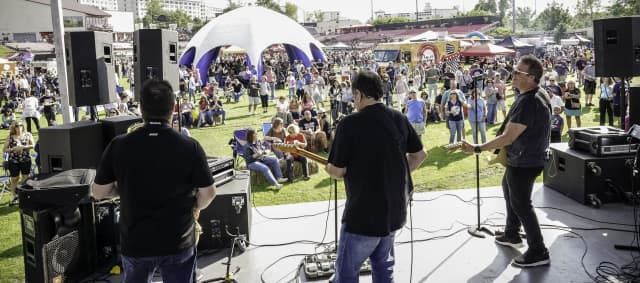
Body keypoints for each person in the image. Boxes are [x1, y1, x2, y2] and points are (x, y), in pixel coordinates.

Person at [92, 80, 217, 282]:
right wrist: (195, 205)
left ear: (141, 108)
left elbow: (98, 192)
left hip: (136, 243)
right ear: (173, 108)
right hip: (178, 241)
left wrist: (119, 190)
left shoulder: (119, 145)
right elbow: (209, 193)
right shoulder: (190, 146)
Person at [325, 70, 427, 282]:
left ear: (359, 95)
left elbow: (337, 171)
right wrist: (396, 174)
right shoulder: (399, 118)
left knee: (346, 275)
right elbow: (419, 155)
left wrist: (328, 168)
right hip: (393, 213)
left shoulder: (349, 124)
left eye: (354, 96)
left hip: (363, 216)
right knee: (383, 270)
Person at [460, 55, 551, 268]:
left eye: (518, 72)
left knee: (521, 203)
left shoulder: (529, 102)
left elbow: (509, 137)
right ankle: (512, 233)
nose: (514, 75)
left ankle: (539, 250)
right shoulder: (536, 94)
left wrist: (477, 148)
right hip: (524, 157)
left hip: (526, 160)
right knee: (508, 189)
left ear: (531, 78)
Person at [4, 121, 34, 206]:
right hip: (13, 160)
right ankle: (14, 196)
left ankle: (25, 196)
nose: (19, 127)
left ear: (23, 126)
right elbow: (4, 149)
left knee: (25, 178)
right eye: (17, 126)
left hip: (25, 159)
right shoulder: (10, 137)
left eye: (21, 125)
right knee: (14, 179)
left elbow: (33, 145)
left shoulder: (28, 134)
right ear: (14, 127)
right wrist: (13, 149)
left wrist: (23, 147)